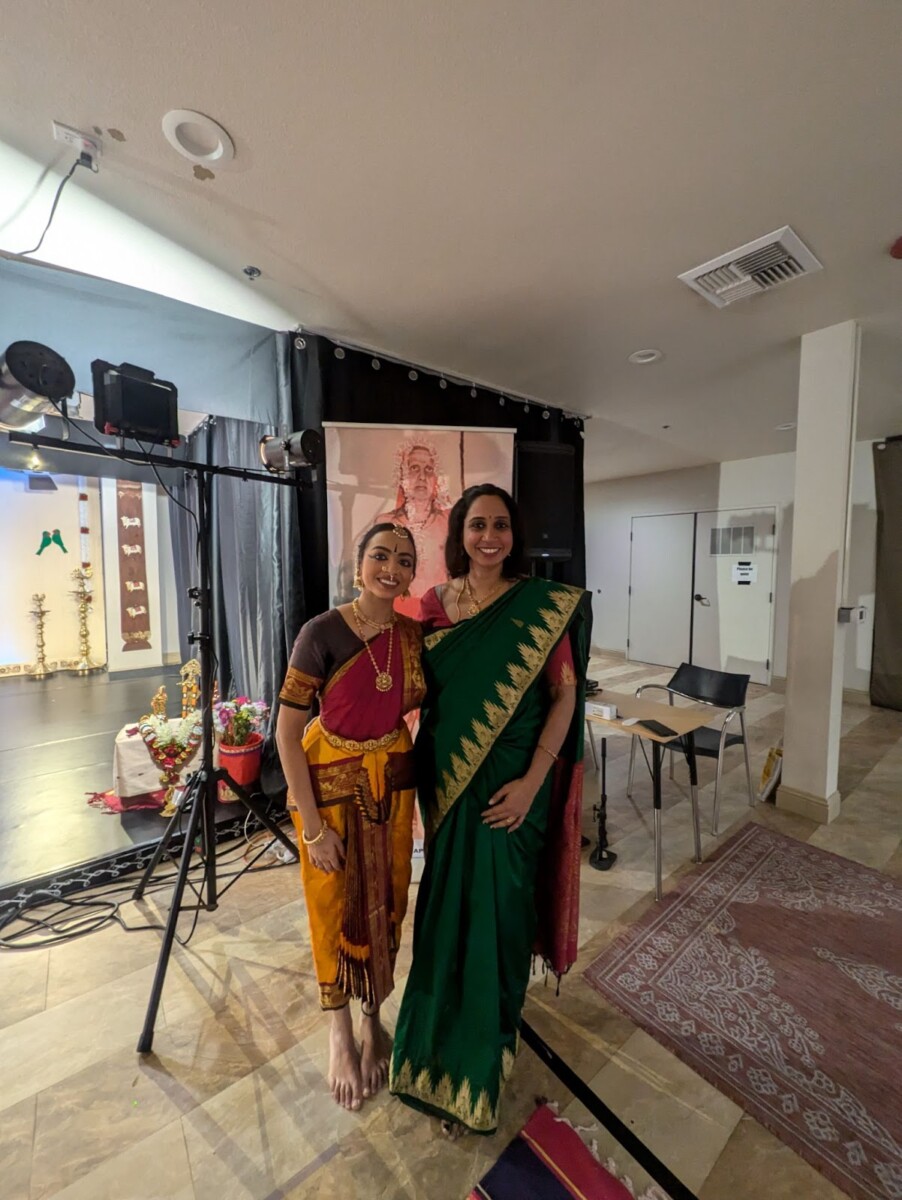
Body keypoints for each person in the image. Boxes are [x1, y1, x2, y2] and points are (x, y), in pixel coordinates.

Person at [389, 484, 588, 1136]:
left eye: (500, 525)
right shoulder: (432, 607)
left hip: (512, 797)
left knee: (497, 925)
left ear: (514, 533)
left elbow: (563, 698)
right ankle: (428, 1057)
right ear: (460, 533)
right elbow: (399, 684)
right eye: (477, 525)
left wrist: (533, 783)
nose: (489, 537)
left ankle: (479, 1065)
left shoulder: (540, 608)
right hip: (446, 787)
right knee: (446, 916)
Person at [276, 523, 425, 1112]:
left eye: (404, 561)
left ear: (413, 574)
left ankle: (372, 1020)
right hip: (329, 788)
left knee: (387, 901)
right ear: (359, 562)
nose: (391, 568)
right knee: (330, 907)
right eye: (381, 556)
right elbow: (288, 735)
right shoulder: (322, 633)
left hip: (391, 786)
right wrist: (312, 829)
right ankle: (338, 1034)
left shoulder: (413, 635)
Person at [374, 438, 452, 618]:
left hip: (438, 614)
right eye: (414, 468)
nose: (422, 477)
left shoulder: (448, 523)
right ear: (401, 477)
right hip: (395, 613)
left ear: (435, 479)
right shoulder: (385, 523)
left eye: (428, 470)